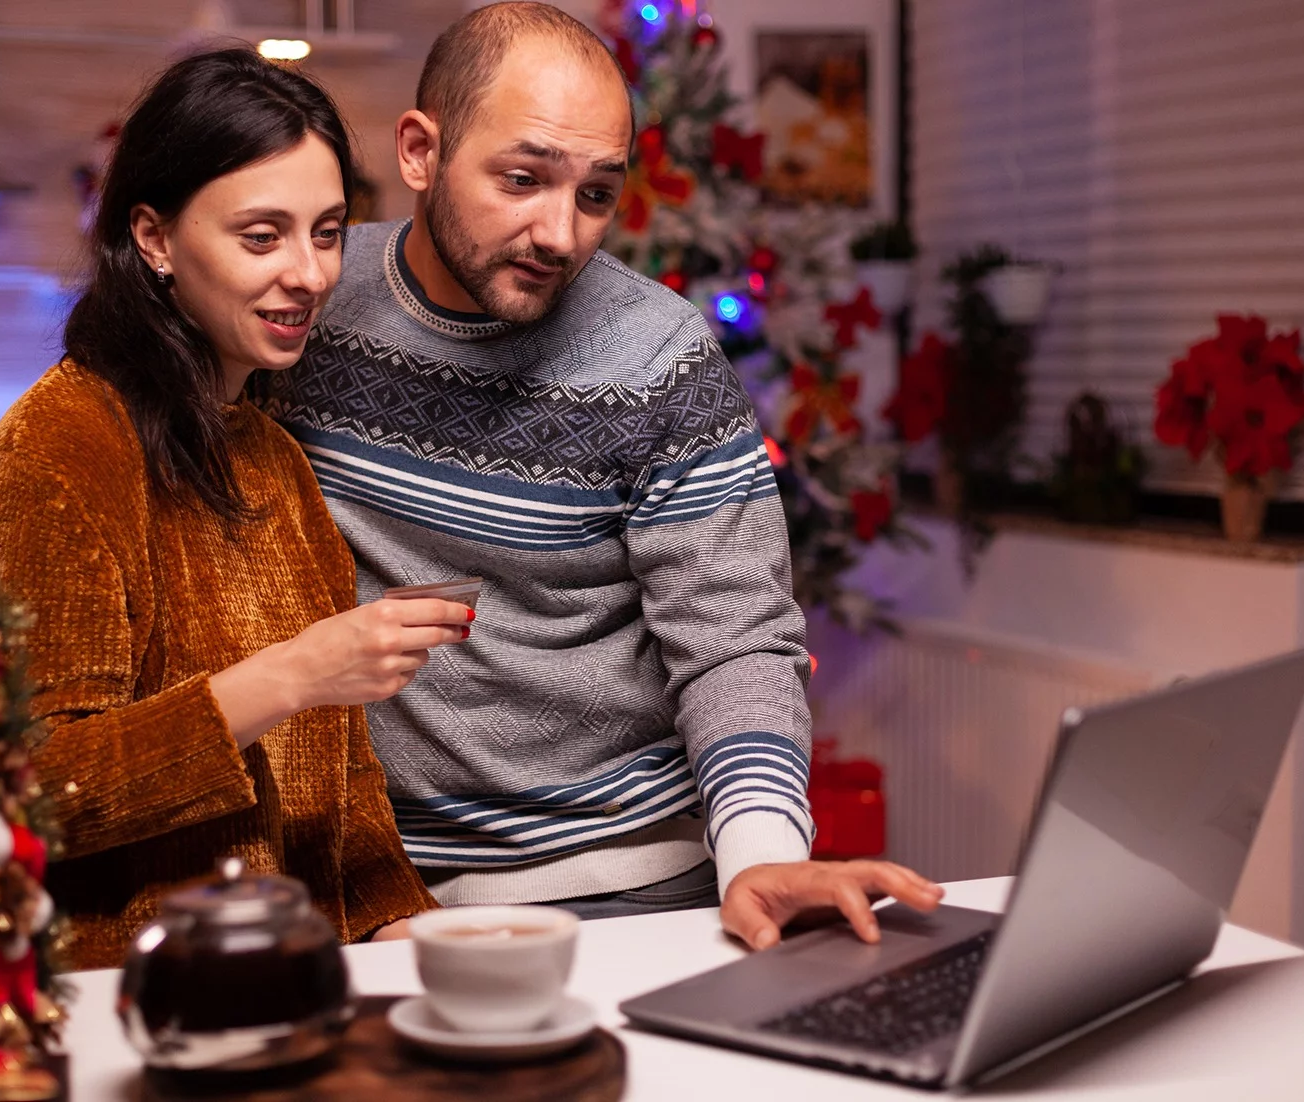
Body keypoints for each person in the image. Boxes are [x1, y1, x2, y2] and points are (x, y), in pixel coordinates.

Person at [257, 3, 941, 951]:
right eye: (523, 178)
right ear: (420, 152)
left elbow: (737, 640)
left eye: (595, 195)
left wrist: (760, 851)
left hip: (625, 883)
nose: (559, 233)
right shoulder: (306, 304)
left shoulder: (658, 358)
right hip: (362, 890)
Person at [0, 48, 472, 969]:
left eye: (326, 231)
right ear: (153, 239)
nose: (311, 274)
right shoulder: (60, 448)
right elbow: (23, 790)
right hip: (128, 998)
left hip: (296, 985)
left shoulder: (269, 452)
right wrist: (294, 674)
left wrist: (416, 939)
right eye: (261, 236)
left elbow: (345, 792)